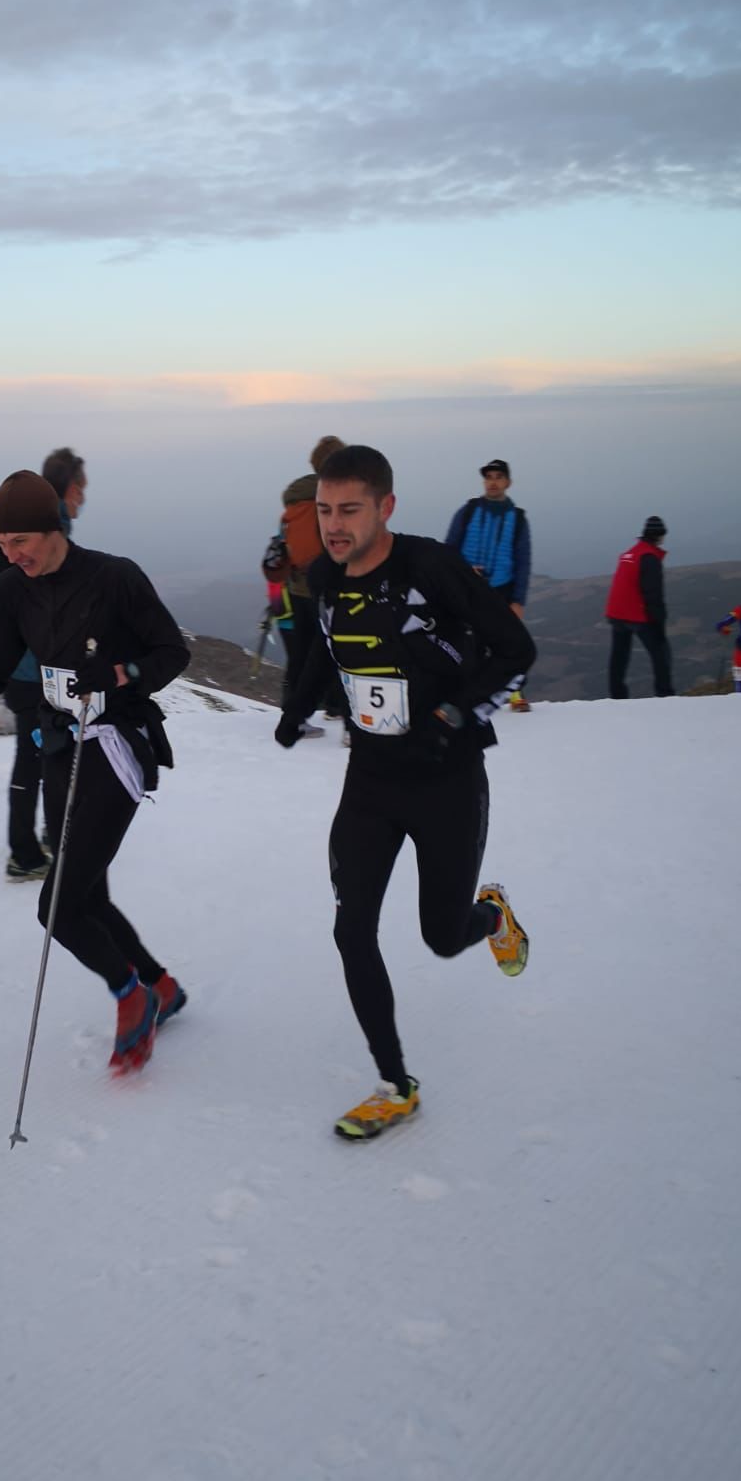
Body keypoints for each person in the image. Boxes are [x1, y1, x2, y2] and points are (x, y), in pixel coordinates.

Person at [275, 444, 535, 1140]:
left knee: (442, 937)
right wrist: (294, 711)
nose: (334, 524)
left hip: (446, 779)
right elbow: (322, 655)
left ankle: (492, 915)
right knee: (350, 929)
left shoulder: (431, 569)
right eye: (326, 510)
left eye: (350, 510)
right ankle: (395, 1085)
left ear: (385, 507)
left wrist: (455, 714)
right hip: (371, 780)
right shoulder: (323, 577)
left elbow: (517, 651)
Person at [0, 470, 191, 1075]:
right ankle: (160, 986)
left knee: (56, 907)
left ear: (53, 529)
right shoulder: (11, 589)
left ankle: (128, 995)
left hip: (118, 747)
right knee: (88, 896)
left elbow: (171, 652)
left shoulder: (114, 577)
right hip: (60, 749)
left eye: (19, 542)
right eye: (1, 544)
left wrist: (115, 676)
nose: (11, 556)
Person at [0, 449, 89, 882]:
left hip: (19, 669)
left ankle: (50, 839)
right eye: (83, 490)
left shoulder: (30, 520)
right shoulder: (53, 527)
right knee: (39, 758)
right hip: (35, 673)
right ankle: (25, 854)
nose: (83, 499)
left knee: (44, 756)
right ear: (71, 488)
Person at [444, 457, 533, 709]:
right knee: (470, 645)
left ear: (508, 482)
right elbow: (448, 549)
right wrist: (462, 571)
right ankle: (471, 695)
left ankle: (515, 694)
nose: (493, 483)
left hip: (502, 588)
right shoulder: (468, 511)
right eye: (489, 477)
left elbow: (522, 561)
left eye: (498, 477)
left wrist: (518, 600)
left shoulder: (518, 518)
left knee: (509, 644)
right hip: (469, 587)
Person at [276, 435, 348, 735]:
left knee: (302, 654)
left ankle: (294, 720)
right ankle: (348, 721)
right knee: (344, 649)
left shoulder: (295, 499)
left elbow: (282, 540)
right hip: (330, 587)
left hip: (296, 587)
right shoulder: (335, 496)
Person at [605, 516, 674, 699]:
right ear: (659, 536)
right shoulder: (649, 557)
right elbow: (653, 594)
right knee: (661, 653)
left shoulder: (630, 553)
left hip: (616, 613)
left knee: (619, 657)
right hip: (636, 615)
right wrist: (659, 623)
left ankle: (617, 696)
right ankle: (665, 694)